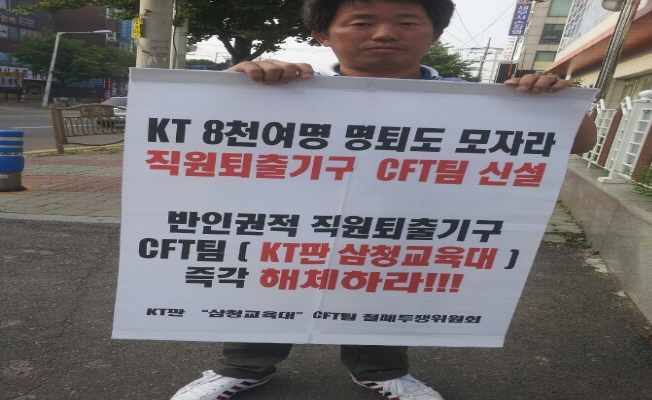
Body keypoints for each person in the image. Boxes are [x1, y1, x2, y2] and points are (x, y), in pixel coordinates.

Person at [170, 1, 597, 399]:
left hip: (406, 225)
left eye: (407, 22)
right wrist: (236, 84)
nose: (384, 33)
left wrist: (557, 105)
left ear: (434, 33)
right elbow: (198, 129)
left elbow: (578, 143)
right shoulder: (286, 90)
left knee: (386, 290)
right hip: (296, 224)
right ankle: (243, 366)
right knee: (271, 287)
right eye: (362, 22)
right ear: (322, 33)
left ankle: (381, 371)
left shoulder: (477, 101)